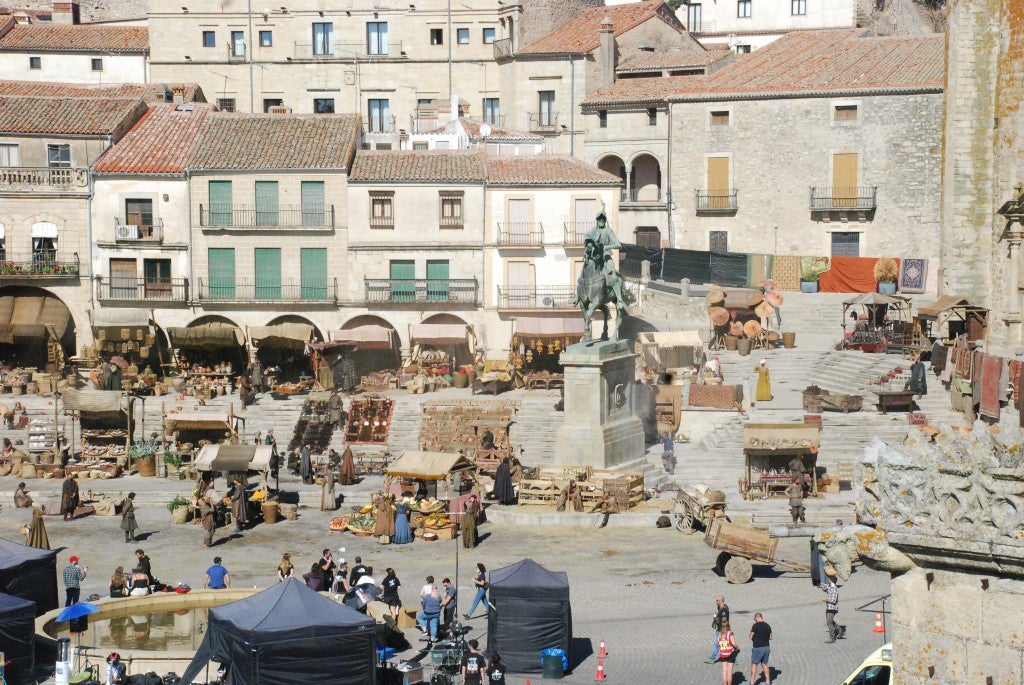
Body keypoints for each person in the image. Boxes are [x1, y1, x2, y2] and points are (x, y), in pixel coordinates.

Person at [749, 612, 773, 685]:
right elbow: (771, 637)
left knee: (754, 664)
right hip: (766, 648)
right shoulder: (768, 626)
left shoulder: (755, 626)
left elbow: (750, 636)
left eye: (755, 620)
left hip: (758, 648)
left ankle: (752, 682)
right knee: (764, 664)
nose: (755, 621)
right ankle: (768, 682)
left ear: (756, 618)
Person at [821, 565, 843, 643]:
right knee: (830, 621)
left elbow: (833, 600)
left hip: (832, 608)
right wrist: (822, 586)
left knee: (829, 622)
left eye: (829, 580)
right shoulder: (831, 586)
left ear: (831, 581)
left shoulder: (834, 589)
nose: (828, 581)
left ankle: (832, 637)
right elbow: (826, 587)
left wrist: (825, 600)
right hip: (829, 607)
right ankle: (840, 631)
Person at [706, 595, 730, 663]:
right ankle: (713, 657)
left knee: (721, 643)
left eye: (717, 600)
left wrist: (723, 630)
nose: (716, 601)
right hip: (719, 629)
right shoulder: (720, 607)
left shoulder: (724, 610)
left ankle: (713, 658)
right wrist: (715, 620)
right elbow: (718, 615)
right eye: (716, 600)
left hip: (722, 629)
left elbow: (724, 620)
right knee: (722, 643)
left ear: (721, 601)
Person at [717, 617, 739, 684]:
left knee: (724, 671)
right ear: (728, 626)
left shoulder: (720, 635)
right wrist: (737, 648)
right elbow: (733, 643)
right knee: (729, 671)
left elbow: (718, 644)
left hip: (723, 654)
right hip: (730, 654)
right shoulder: (729, 633)